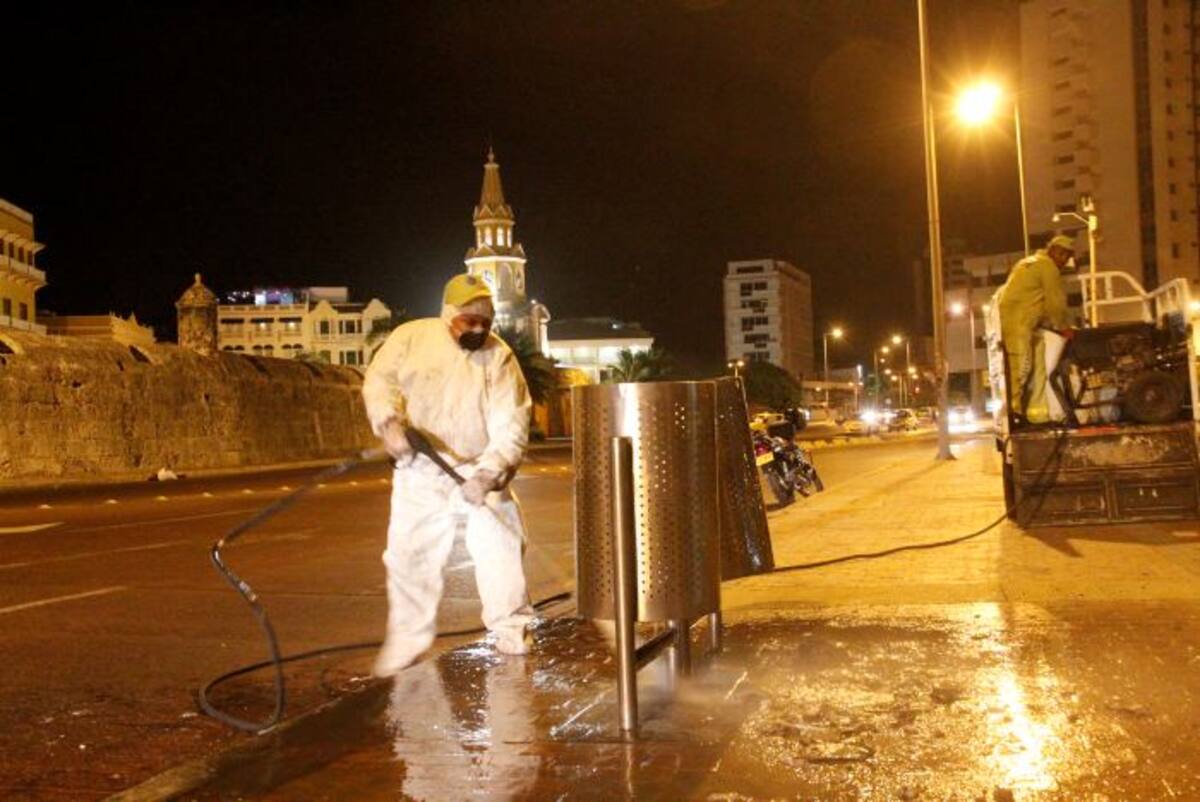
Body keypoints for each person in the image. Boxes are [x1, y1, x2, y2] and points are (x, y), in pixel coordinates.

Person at [362, 273, 533, 677]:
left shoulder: (500, 356)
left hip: (478, 466)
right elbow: (380, 381)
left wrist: (490, 474)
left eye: (485, 323)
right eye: (469, 321)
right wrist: (388, 424)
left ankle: (512, 629)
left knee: (501, 545)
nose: (477, 329)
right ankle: (407, 641)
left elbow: (512, 421)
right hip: (420, 467)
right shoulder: (411, 338)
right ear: (447, 315)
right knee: (409, 556)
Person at [997, 234, 1074, 425]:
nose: (1064, 259)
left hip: (1019, 323)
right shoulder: (1048, 267)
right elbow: (1056, 303)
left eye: (1067, 255)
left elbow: (1036, 300)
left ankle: (1035, 415)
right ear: (1052, 250)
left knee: (1036, 365)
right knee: (1020, 370)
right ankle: (1013, 415)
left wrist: (1048, 322)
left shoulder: (1026, 263)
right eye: (1062, 254)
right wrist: (1064, 327)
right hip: (1019, 324)